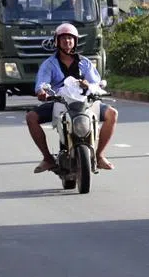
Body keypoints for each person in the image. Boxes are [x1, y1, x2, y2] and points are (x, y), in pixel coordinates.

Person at [26, 22, 118, 173]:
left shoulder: (85, 63)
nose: (67, 41)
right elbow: (41, 83)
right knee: (31, 117)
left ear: (75, 41)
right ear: (57, 41)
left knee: (112, 114)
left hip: (85, 104)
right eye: (63, 38)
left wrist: (88, 85)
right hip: (60, 103)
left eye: (70, 38)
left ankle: (100, 155)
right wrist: (42, 91)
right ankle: (47, 159)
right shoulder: (49, 64)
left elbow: (96, 83)